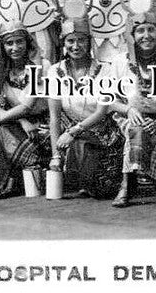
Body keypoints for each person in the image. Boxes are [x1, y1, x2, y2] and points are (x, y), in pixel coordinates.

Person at [108, 9, 156, 207]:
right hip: (132, 119)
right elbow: (110, 101)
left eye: (151, 29)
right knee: (136, 130)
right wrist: (129, 110)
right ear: (132, 35)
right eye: (140, 31)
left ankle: (154, 175)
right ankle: (126, 184)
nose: (146, 36)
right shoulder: (120, 62)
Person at [47, 15, 124, 200]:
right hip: (69, 128)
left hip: (102, 131)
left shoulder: (104, 69)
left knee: (101, 187)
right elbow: (55, 117)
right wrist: (55, 156)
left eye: (81, 40)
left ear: (89, 43)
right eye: (71, 41)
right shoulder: (54, 71)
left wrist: (74, 132)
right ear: (64, 43)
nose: (76, 46)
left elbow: (101, 111)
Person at [0, 20, 52, 197]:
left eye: (19, 42)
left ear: (27, 42)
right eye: (9, 43)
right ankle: (4, 182)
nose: (15, 47)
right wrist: (21, 120)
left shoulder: (41, 66)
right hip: (20, 123)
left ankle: (16, 177)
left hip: (43, 125)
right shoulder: (0, 70)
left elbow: (27, 106)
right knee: (0, 131)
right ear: (3, 46)